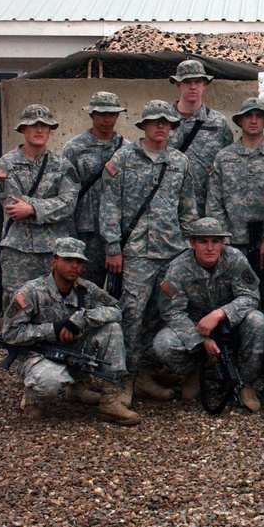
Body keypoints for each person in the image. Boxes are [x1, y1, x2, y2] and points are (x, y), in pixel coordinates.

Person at [100, 100, 198, 404]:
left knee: (159, 315)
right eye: (155, 122)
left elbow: (188, 208)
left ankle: (144, 374)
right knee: (131, 315)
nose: (161, 127)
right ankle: (122, 380)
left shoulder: (179, 162)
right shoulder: (124, 158)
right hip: (136, 253)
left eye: (166, 122)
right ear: (143, 125)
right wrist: (113, 247)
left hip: (171, 251)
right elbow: (109, 205)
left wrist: (189, 248)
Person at [2, 237, 140, 426]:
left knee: (112, 329)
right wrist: (54, 330)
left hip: (74, 350)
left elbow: (116, 310)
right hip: (39, 355)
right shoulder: (32, 292)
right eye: (68, 260)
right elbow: (10, 333)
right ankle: (33, 397)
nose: (74, 266)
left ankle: (109, 402)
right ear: (54, 262)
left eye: (79, 262)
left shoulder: (86, 289)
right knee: (49, 383)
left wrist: (82, 319)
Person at [152, 218, 264, 411]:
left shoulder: (235, 258)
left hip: (230, 323)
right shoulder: (178, 268)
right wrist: (200, 340)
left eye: (215, 241)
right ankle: (197, 370)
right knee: (163, 345)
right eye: (203, 242)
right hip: (195, 325)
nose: (210, 248)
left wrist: (220, 313)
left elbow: (251, 297)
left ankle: (245, 382)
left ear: (222, 243)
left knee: (257, 320)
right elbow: (171, 311)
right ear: (192, 243)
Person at [0, 104, 80, 310]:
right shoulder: (7, 164)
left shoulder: (62, 164)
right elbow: (11, 204)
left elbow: (68, 203)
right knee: (17, 303)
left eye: (44, 125)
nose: (39, 130)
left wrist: (33, 209)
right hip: (18, 250)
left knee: (53, 304)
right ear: (23, 129)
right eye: (33, 125)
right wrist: (48, 206)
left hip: (53, 250)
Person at [205, 97, 264, 277]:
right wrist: (223, 241)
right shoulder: (224, 157)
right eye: (248, 115)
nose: (253, 120)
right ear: (240, 120)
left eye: (259, 116)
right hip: (232, 244)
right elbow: (214, 203)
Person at [62, 92, 129, 285]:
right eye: (101, 114)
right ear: (92, 115)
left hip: (119, 233)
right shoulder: (74, 149)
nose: (107, 119)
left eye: (111, 114)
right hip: (85, 232)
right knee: (84, 289)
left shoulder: (126, 150)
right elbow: (67, 194)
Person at [168, 59, 235, 216]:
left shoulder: (218, 123)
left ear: (205, 84)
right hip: (169, 208)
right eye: (187, 82)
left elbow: (227, 166)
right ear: (178, 85)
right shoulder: (162, 121)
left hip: (206, 209)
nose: (193, 87)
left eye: (197, 82)